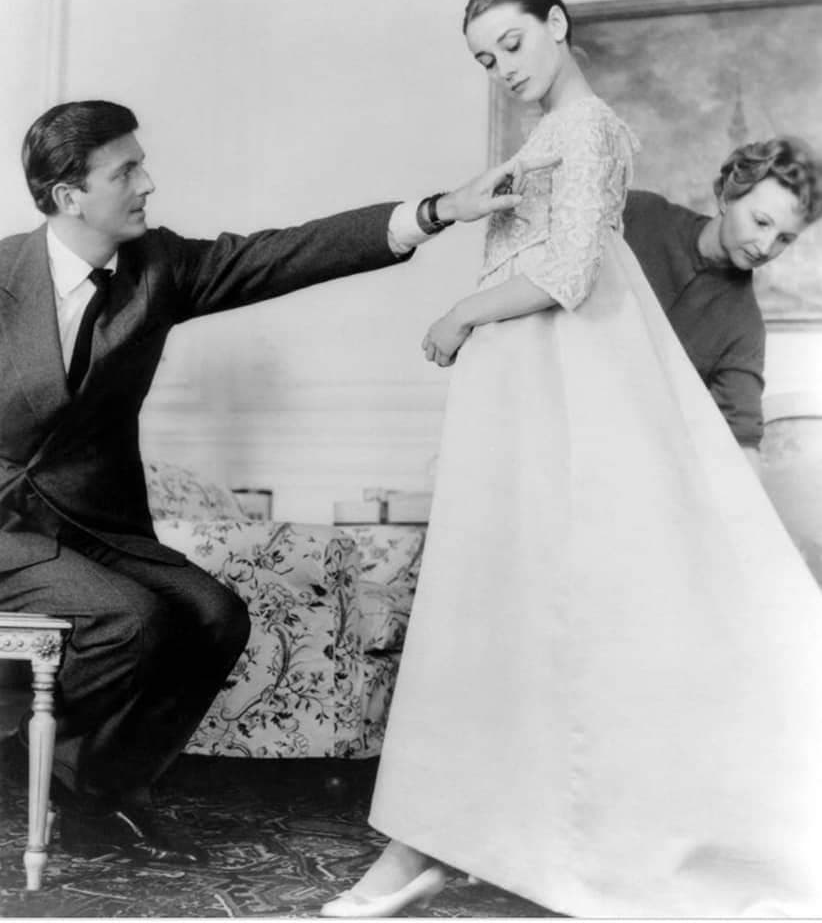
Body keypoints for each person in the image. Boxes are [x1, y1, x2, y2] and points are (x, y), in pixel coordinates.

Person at [320, 0, 822, 918]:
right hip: (540, 401)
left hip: (579, 424)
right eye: (486, 58)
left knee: (533, 617)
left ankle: (469, 839)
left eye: (513, 43)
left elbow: (567, 274)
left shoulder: (587, 128)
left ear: (557, 23)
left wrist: (461, 314)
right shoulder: (575, 149)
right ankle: (450, 834)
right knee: (500, 612)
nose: (503, 68)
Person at [0, 98, 522, 866]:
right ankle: (43, 768)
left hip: (95, 523)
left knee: (216, 616)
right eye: (126, 171)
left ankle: (99, 787)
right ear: (69, 195)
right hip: (6, 530)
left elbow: (286, 253)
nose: (148, 183)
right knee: (131, 618)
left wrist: (435, 212)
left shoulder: (158, 267)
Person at [623, 136, 820, 474]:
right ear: (728, 195)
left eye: (784, 239)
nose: (765, 247)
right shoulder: (640, 214)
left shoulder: (744, 327)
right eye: (761, 222)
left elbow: (741, 441)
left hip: (631, 460)